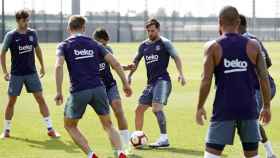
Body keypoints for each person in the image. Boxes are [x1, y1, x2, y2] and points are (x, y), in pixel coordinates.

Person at [196, 6, 272, 158]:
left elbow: (206, 80)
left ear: (219, 22)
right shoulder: (253, 45)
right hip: (249, 109)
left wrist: (200, 107)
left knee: (211, 155)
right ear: (238, 22)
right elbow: (264, 78)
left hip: (224, 109)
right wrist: (266, 107)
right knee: (252, 155)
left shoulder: (212, 47)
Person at [54, 15, 132, 158]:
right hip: (99, 89)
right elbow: (115, 63)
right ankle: (120, 152)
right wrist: (125, 83)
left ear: (68, 28)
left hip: (79, 90)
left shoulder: (64, 45)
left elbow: (58, 66)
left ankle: (91, 154)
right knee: (108, 124)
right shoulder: (95, 44)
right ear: (84, 28)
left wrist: (58, 91)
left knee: (70, 125)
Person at [127, 18, 186, 148]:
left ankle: (164, 139)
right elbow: (135, 62)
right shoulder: (143, 46)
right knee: (138, 110)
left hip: (163, 81)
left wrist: (181, 74)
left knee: (156, 108)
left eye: (152, 31)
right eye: (148, 31)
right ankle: (138, 138)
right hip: (151, 83)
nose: (150, 33)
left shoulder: (165, 43)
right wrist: (129, 75)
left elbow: (176, 56)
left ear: (158, 30)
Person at [0, 9, 60, 139]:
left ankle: (50, 129)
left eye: (27, 20)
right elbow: (2, 53)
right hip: (16, 75)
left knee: (41, 99)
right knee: (11, 102)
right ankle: (6, 130)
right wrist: (5, 72)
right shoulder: (11, 35)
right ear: (18, 21)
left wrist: (42, 66)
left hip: (32, 73)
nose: (26, 23)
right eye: (23, 20)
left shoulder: (33, 33)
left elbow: (37, 49)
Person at [239, 14, 277, 158]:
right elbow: (268, 62)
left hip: (260, 87)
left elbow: (264, 66)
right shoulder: (254, 39)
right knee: (249, 119)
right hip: (262, 86)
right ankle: (268, 153)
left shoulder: (248, 41)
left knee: (250, 119)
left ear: (238, 25)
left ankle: (262, 153)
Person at [93, 28, 135, 154]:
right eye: (102, 43)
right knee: (107, 120)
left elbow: (114, 64)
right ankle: (117, 147)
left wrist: (126, 67)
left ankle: (127, 146)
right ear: (96, 41)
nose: (104, 47)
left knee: (119, 111)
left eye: (105, 44)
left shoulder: (108, 50)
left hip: (110, 85)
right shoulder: (89, 52)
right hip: (97, 89)